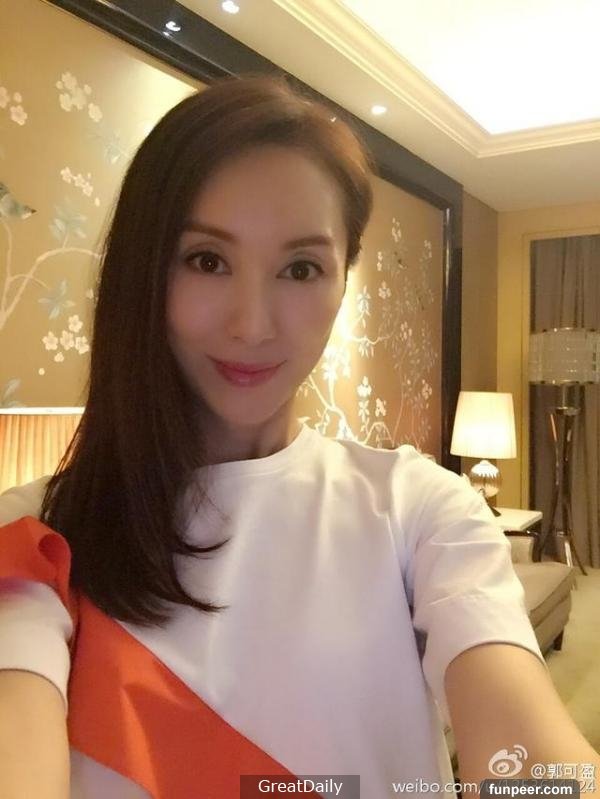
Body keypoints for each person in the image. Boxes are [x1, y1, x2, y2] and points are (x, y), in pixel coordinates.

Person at [0, 74, 598, 799]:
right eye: (207, 260)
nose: (253, 325)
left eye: (301, 268)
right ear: (145, 270)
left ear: (343, 283)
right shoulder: (37, 531)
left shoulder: (418, 509)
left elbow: (530, 757)